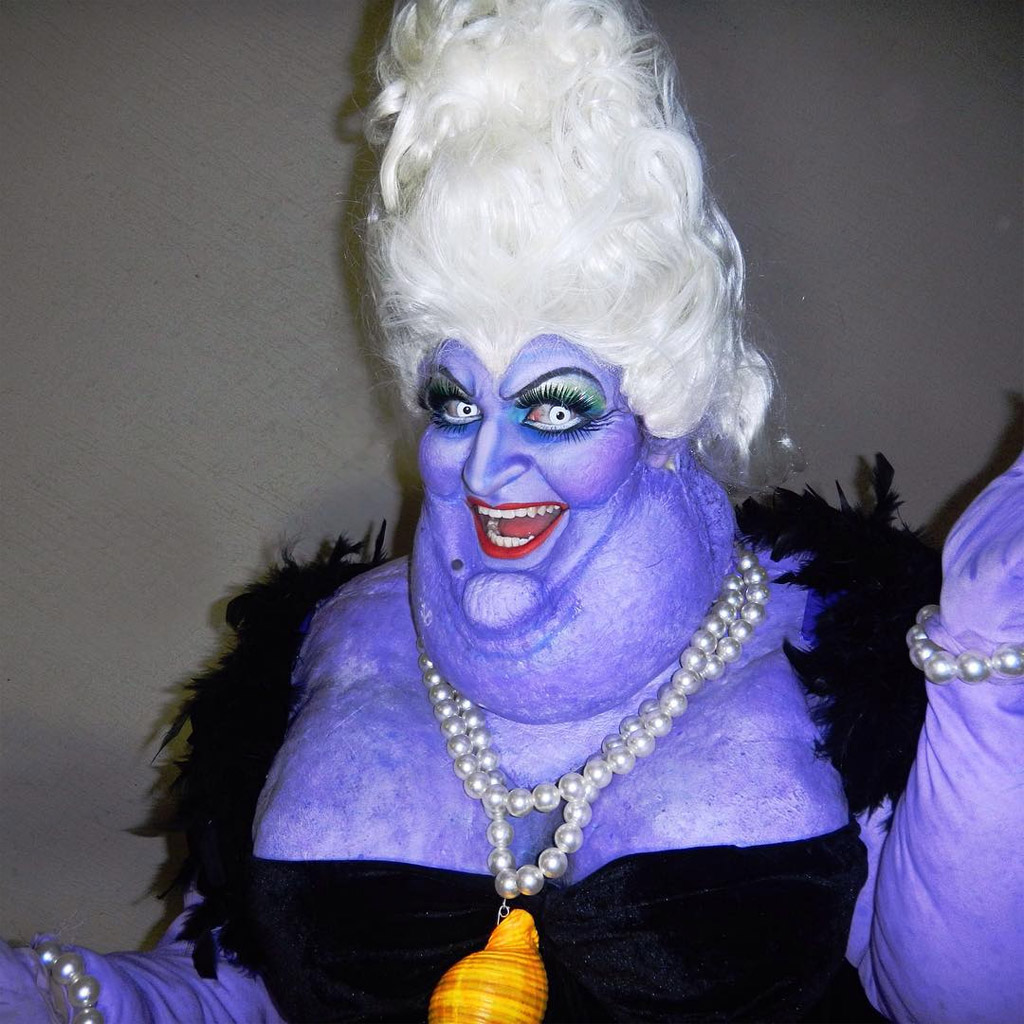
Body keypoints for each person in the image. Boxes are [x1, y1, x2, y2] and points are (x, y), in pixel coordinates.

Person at [2, 1, 1021, 1021]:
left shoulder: (830, 641)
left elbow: (945, 1000)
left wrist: (993, 661)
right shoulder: (321, 642)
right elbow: (234, 985)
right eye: (456, 404)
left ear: (659, 418)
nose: (487, 466)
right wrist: (56, 996)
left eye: (554, 407)